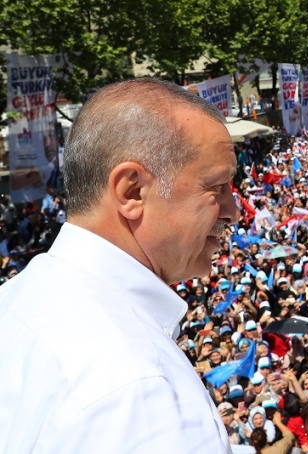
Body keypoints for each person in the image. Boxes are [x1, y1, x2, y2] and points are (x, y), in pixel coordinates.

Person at [0, 79, 238, 452]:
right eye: (218, 186)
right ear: (132, 192)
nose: (234, 211)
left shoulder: (14, 300)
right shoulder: (143, 391)